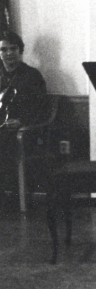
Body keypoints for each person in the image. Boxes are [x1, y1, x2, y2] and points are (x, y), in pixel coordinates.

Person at [0, 32, 48, 185]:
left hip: (22, 130)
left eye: (13, 49)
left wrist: (22, 121)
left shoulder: (32, 75)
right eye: (3, 49)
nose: (8, 53)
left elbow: (41, 108)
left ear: (20, 51)